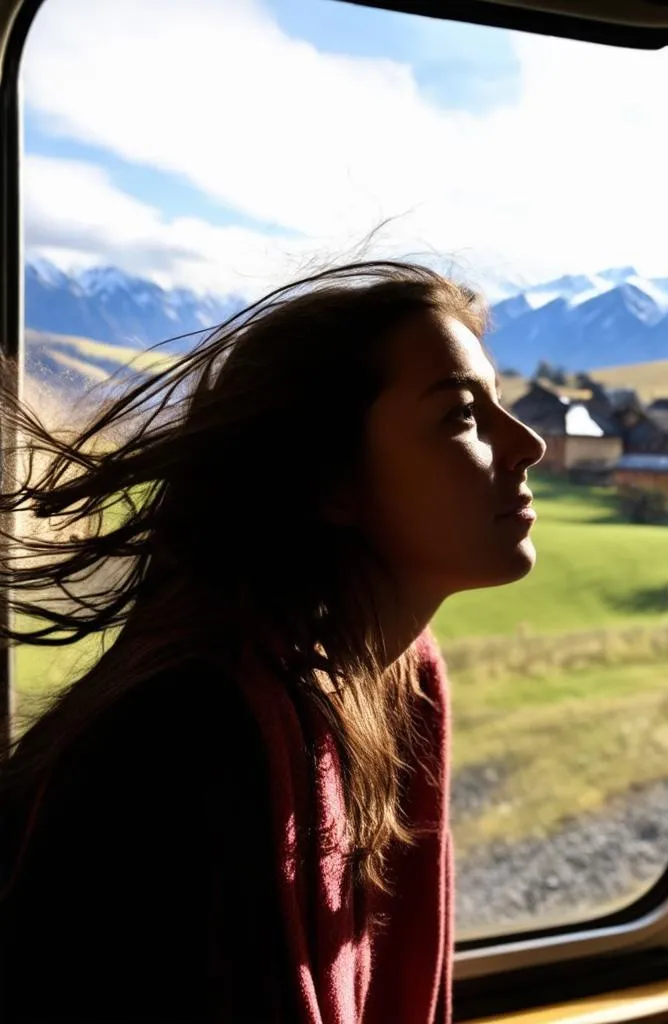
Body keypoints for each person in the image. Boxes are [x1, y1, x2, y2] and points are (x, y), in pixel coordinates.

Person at [0, 261, 546, 1023]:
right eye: (462, 415)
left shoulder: (394, 683)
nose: (528, 444)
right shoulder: (182, 744)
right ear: (329, 481)